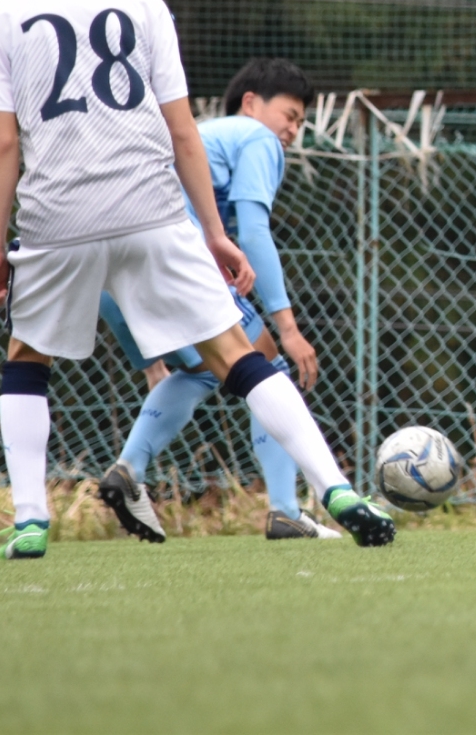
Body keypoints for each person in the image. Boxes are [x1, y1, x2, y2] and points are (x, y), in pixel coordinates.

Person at [0, 0, 396, 558]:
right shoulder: (145, 6)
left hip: (57, 219)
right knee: (237, 354)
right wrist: (214, 231)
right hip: (151, 210)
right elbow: (181, 133)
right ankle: (336, 488)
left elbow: (3, 142)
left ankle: (30, 520)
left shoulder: (2, 17)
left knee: (27, 359)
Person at [96, 57, 345, 543]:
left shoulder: (207, 139)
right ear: (250, 103)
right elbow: (252, 231)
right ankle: (286, 511)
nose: (293, 130)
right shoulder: (256, 137)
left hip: (106, 264)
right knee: (266, 364)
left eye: (300, 122)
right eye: (290, 115)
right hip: (171, 257)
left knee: (204, 369)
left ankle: (128, 471)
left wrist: (149, 362)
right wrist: (288, 328)